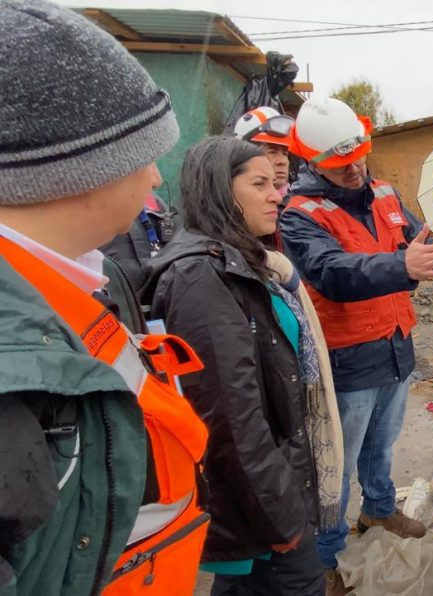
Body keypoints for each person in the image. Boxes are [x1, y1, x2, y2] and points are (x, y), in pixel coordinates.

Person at [0, 2, 209, 594]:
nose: (157, 179)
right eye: (145, 158)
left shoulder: (86, 279)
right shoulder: (11, 355)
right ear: (76, 171)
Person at [279, 97, 433, 585]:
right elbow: (330, 273)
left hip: (394, 346)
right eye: (341, 165)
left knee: (382, 447)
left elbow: (419, 248)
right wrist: (401, 265)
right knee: (335, 466)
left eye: (359, 156)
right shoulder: (299, 214)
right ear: (313, 162)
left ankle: (379, 510)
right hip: (345, 359)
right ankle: (325, 555)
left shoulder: (384, 192)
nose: (355, 170)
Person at [142, 137, 341, 596]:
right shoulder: (200, 277)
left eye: (277, 183)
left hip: (268, 494)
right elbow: (229, 420)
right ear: (220, 192)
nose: (278, 194)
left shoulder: (246, 261)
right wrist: (285, 518)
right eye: (260, 184)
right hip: (264, 511)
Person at [233, 106, 294, 200]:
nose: (283, 161)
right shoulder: (226, 204)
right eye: (272, 152)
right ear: (244, 156)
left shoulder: (300, 208)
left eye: (285, 153)